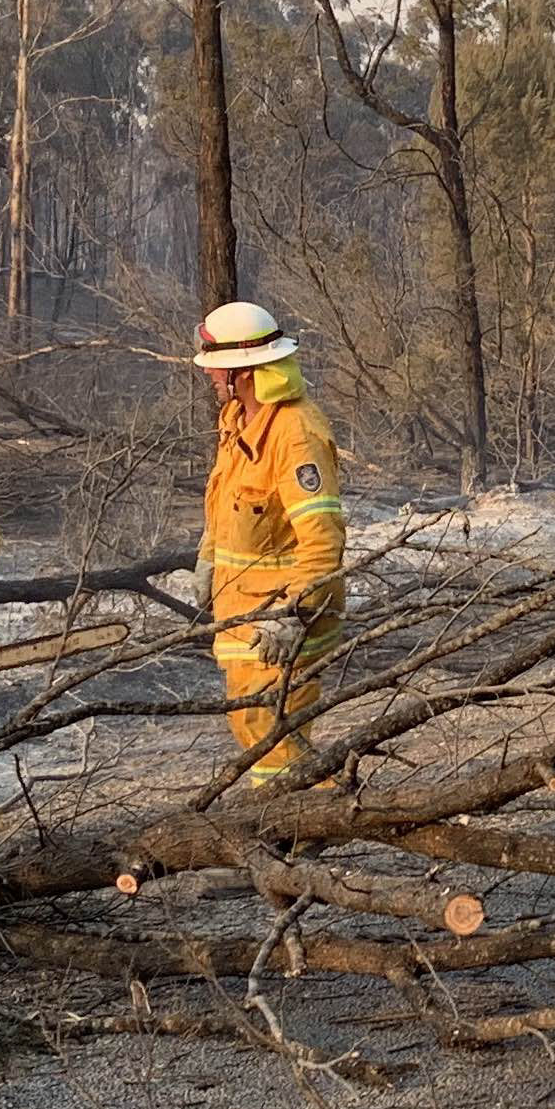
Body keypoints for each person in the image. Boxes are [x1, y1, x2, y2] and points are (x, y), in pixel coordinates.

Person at [194, 301, 347, 785]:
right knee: (252, 726)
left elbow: (322, 540)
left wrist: (291, 613)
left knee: (275, 736)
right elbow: (228, 506)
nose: (210, 375)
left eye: (215, 366)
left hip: (285, 621)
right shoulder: (237, 421)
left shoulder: (295, 434)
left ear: (242, 371)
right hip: (243, 617)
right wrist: (208, 560)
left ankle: (298, 819)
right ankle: (295, 811)